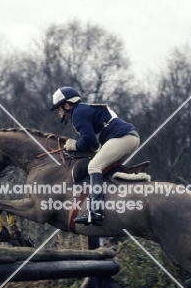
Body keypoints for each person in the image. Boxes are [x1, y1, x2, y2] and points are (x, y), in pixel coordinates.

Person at [51, 86, 140, 226]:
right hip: (128, 137)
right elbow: (94, 143)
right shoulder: (83, 110)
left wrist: (74, 145)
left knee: (94, 166)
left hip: (123, 138)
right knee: (108, 170)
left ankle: (95, 212)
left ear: (67, 105)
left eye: (58, 108)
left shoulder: (77, 114)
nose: (58, 112)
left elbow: (89, 140)